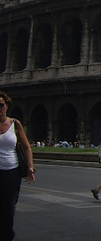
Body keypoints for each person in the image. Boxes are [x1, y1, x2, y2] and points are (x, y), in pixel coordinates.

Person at [0, 91, 35, 241]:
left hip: (12, 172)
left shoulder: (15, 124)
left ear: (7, 106)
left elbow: (27, 147)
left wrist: (30, 167)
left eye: (1, 105)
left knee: (9, 208)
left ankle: (7, 235)